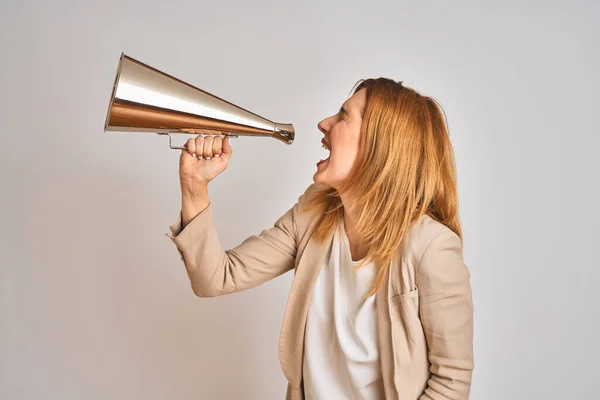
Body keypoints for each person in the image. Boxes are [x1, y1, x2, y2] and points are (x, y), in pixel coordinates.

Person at [166, 78, 474, 400]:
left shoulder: (432, 247)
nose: (323, 123)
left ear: (379, 143)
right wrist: (193, 185)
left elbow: (450, 381)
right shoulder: (313, 212)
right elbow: (215, 278)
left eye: (343, 116)